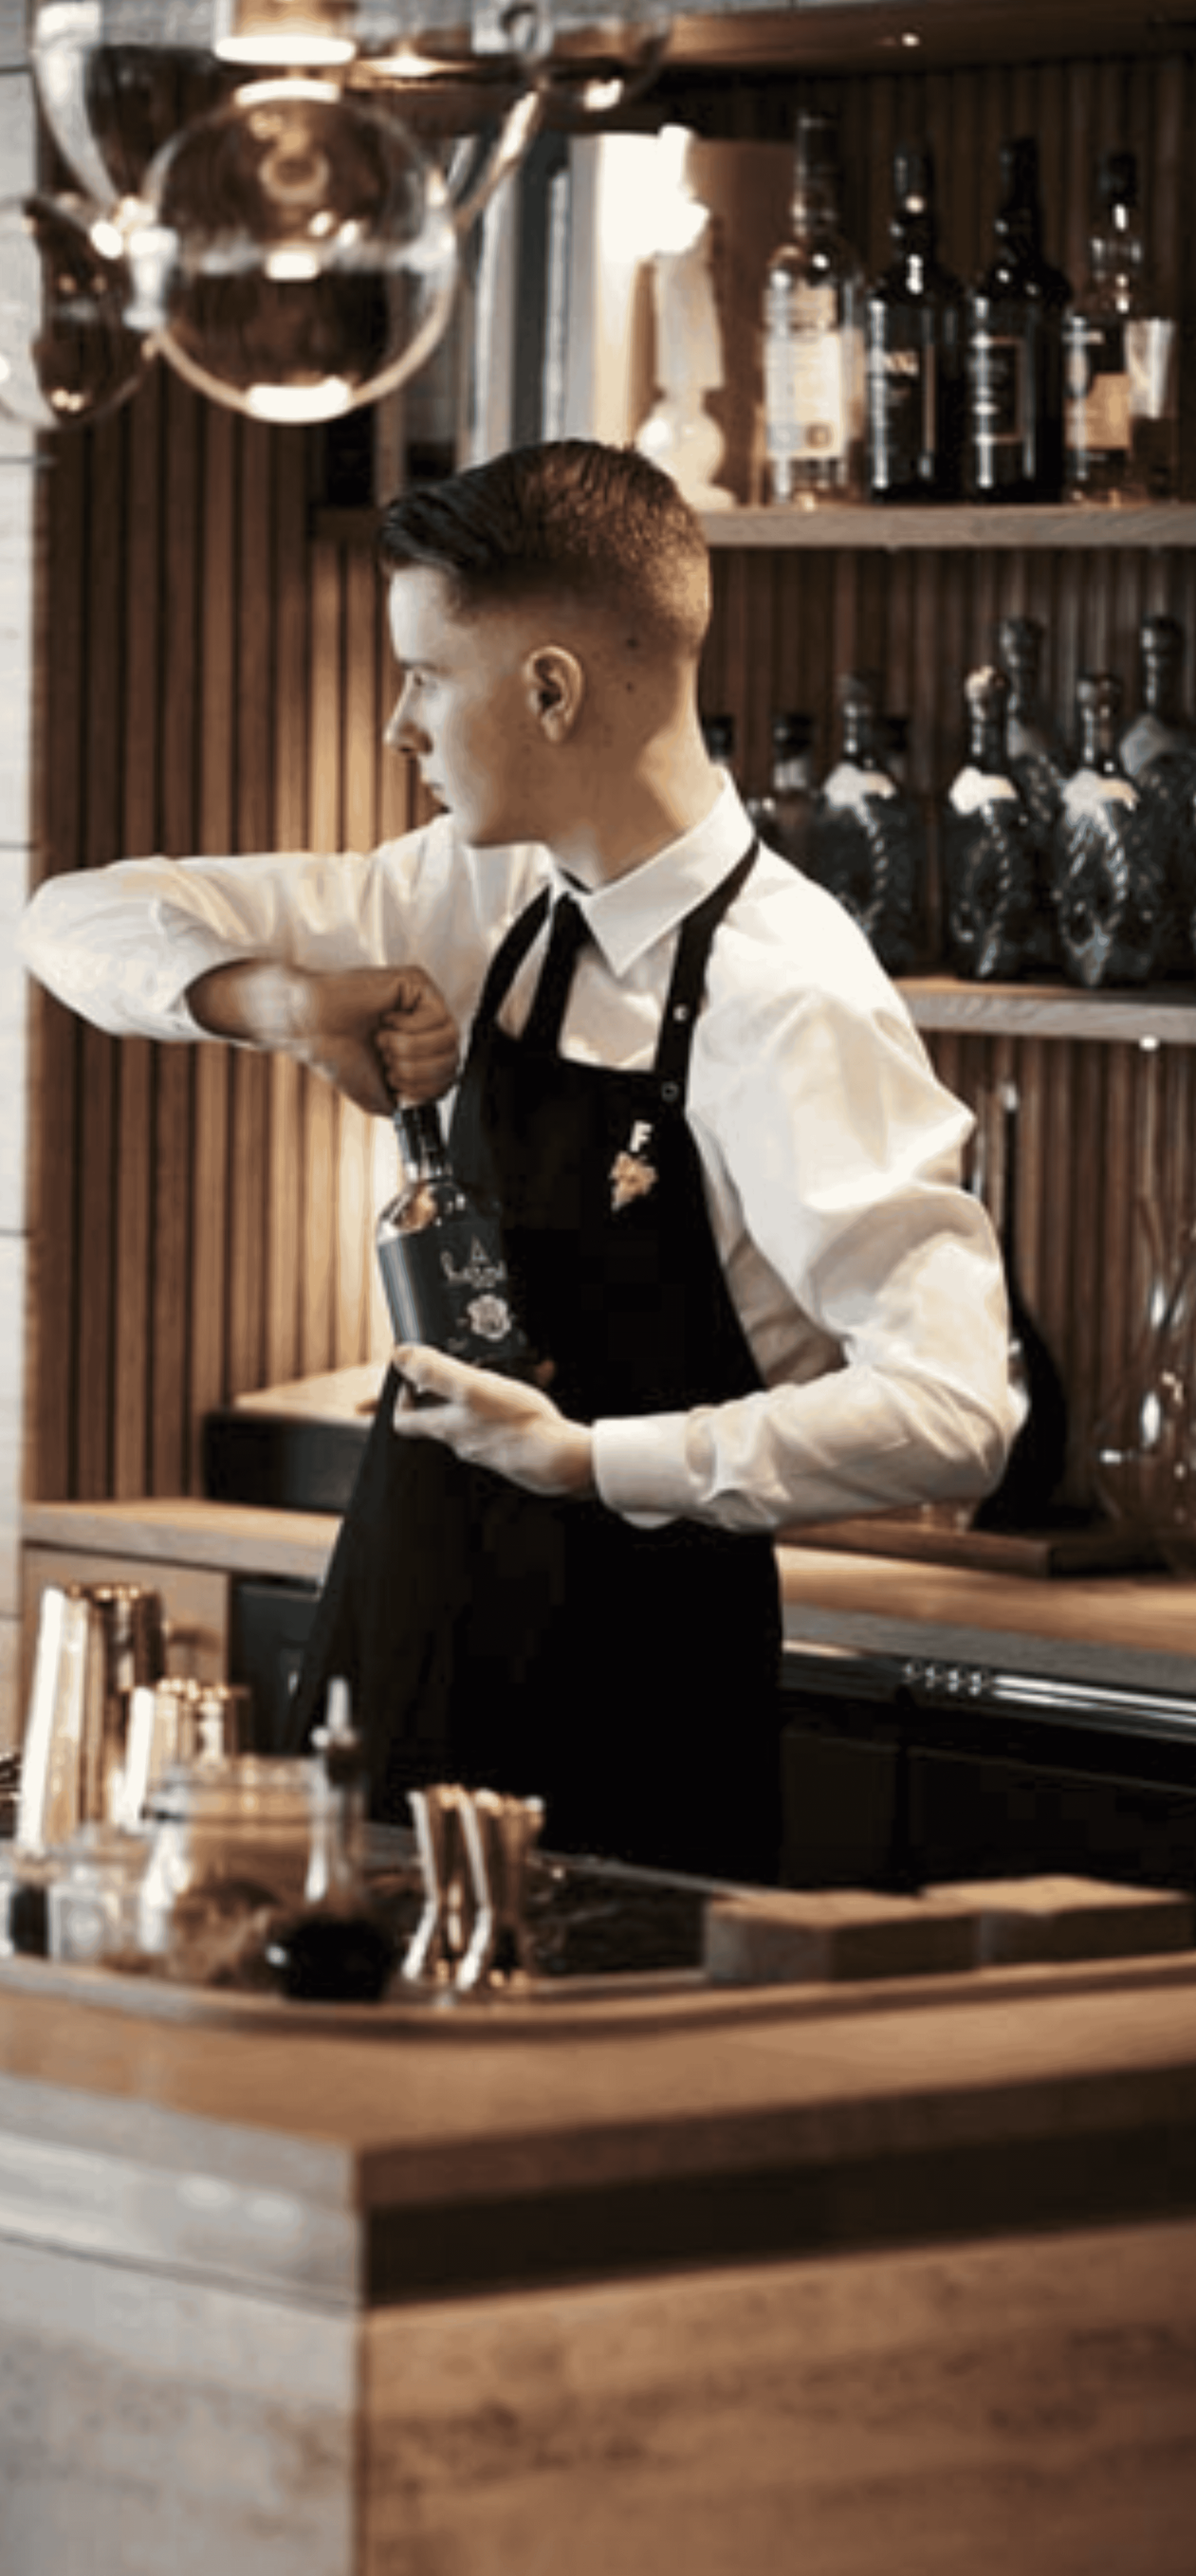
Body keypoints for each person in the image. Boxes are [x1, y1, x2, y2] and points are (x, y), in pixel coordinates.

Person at [20, 438, 1020, 1885]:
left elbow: (952, 1407)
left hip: (631, 1724)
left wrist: (593, 1460)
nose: (394, 727)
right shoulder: (474, 893)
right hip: (397, 1658)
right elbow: (70, 919)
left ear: (551, 689)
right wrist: (284, 1005)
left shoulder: (792, 991)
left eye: (424, 675)